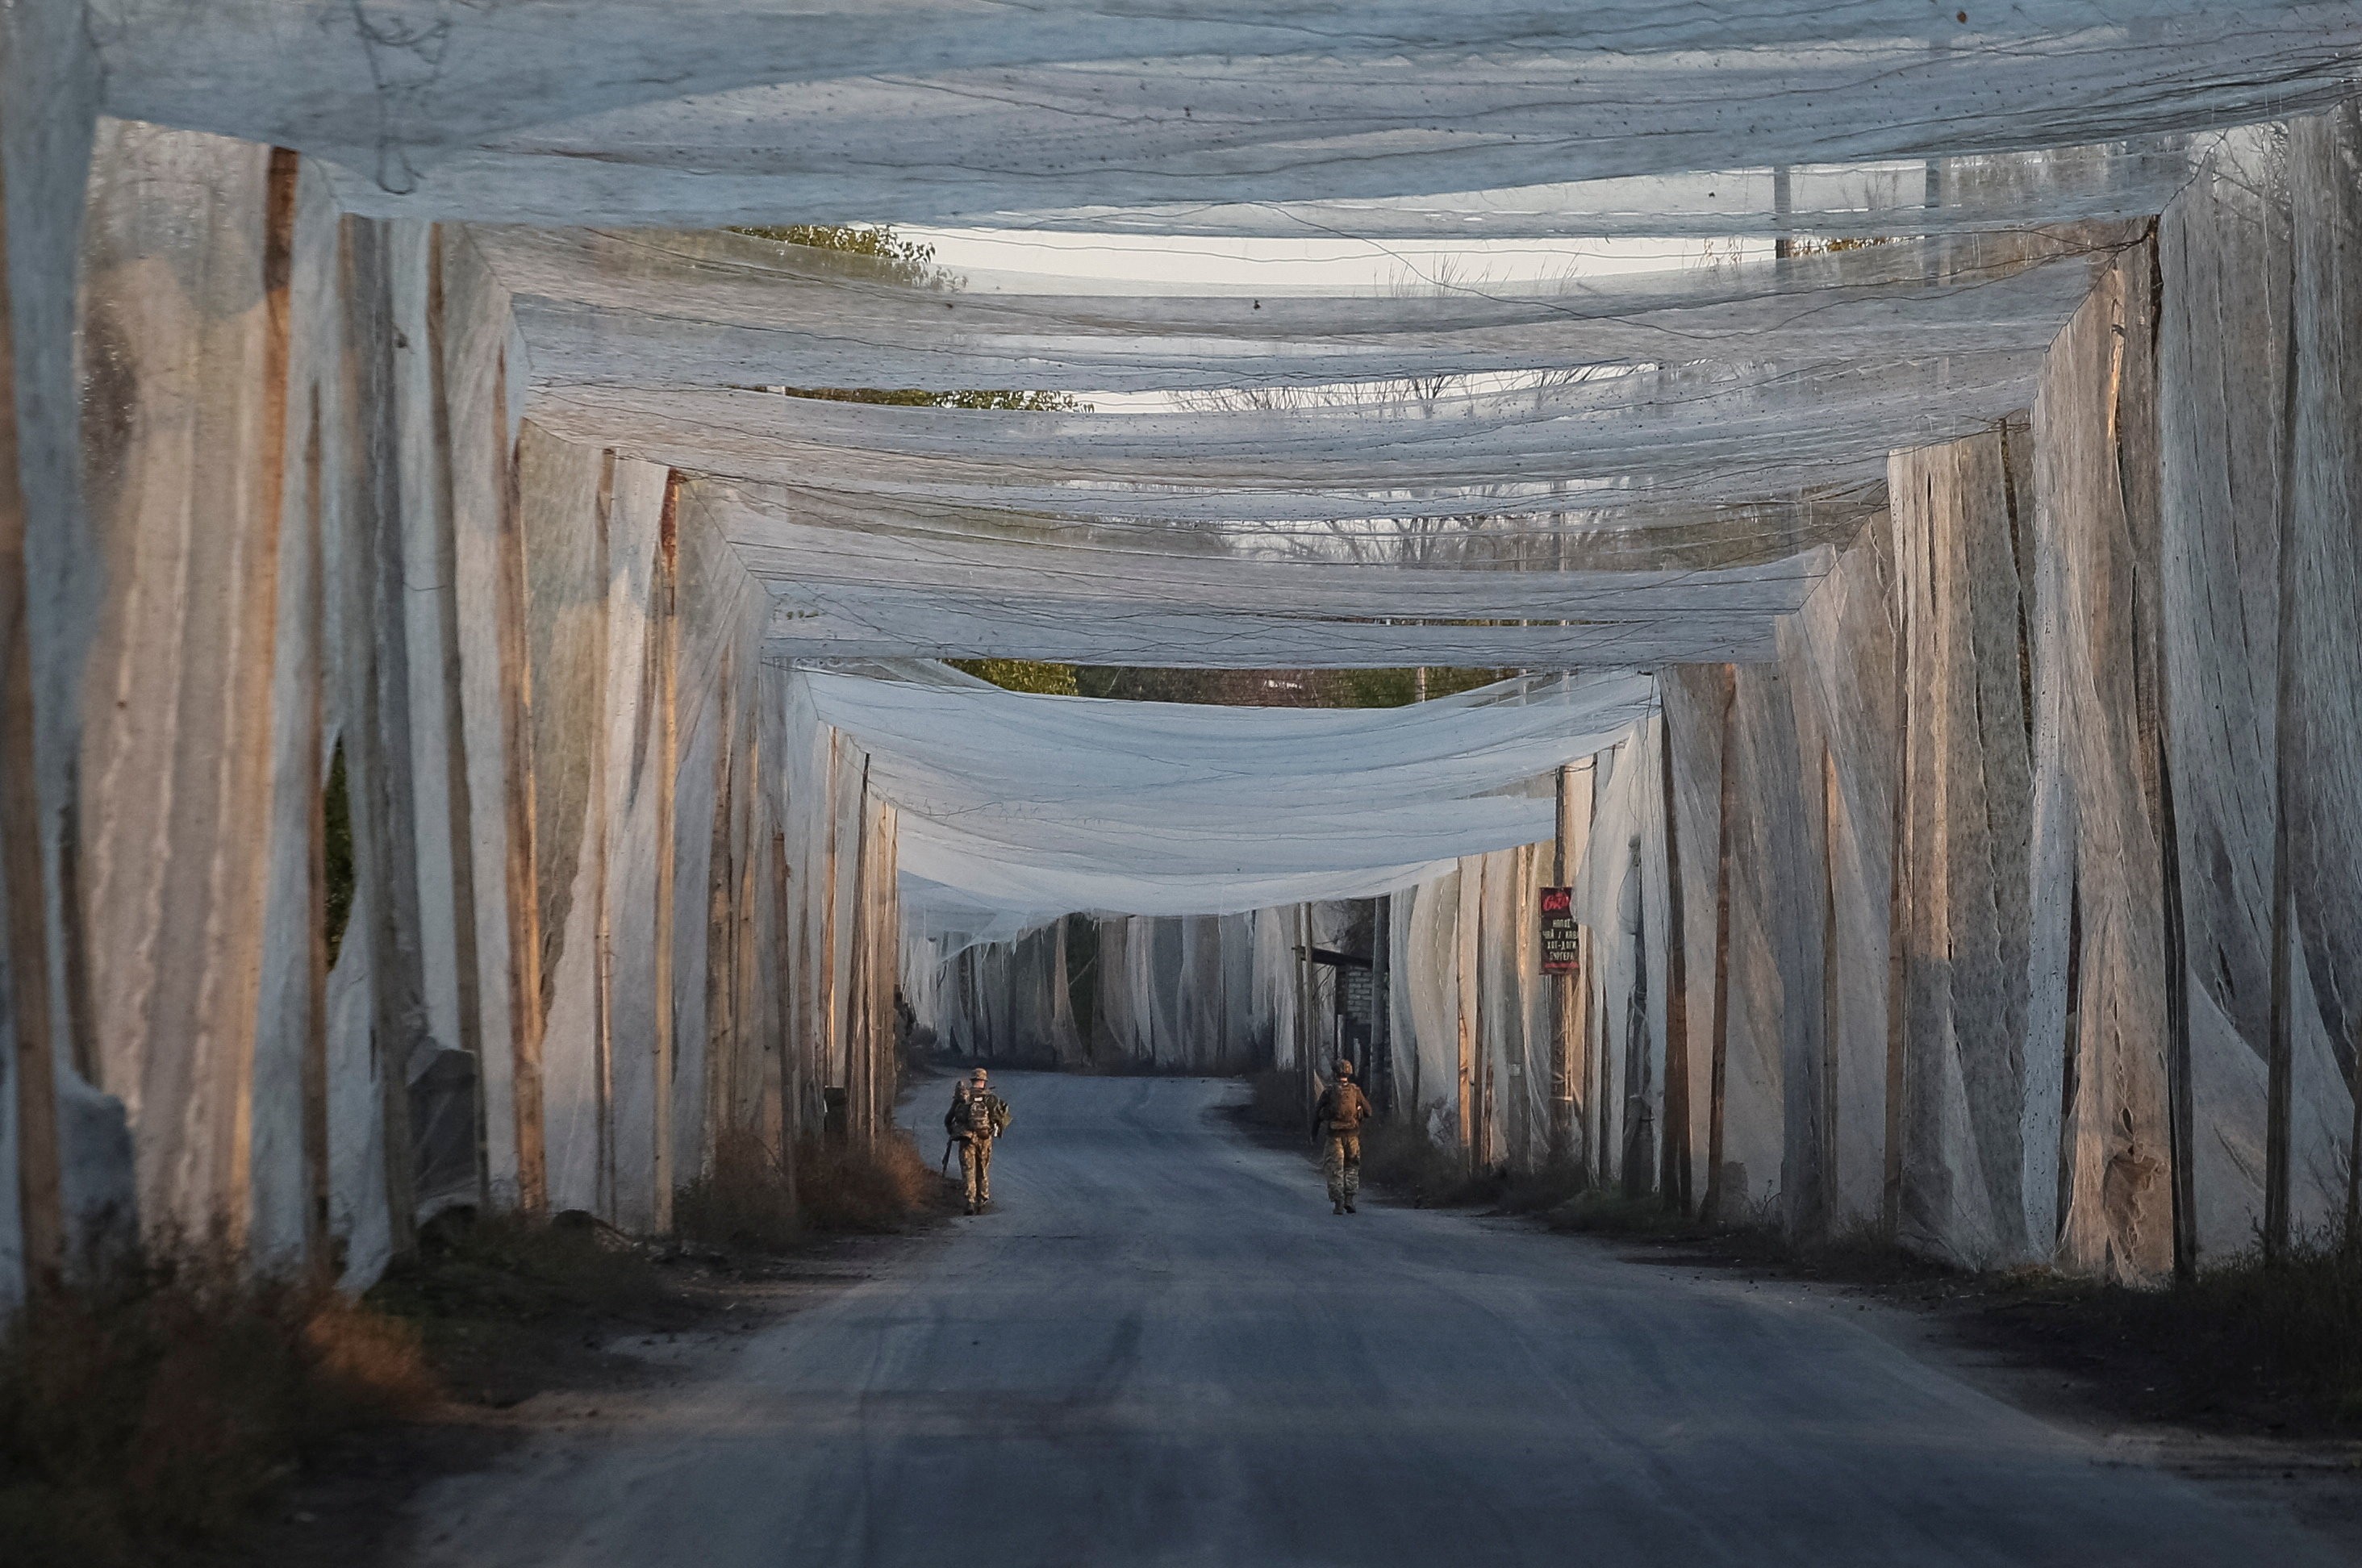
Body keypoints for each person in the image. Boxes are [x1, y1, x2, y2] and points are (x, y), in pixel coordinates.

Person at [945, 1067, 1012, 1215]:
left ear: (972, 1080)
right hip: (984, 1137)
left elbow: (948, 1118)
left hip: (966, 1138)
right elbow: (1001, 1118)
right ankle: (982, 1200)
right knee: (983, 1168)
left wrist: (952, 1130)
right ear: (984, 1081)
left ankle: (970, 1201)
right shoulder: (990, 1098)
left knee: (968, 1170)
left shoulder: (963, 1096)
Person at [1314, 1057, 1372, 1215]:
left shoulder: (1329, 1091)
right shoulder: (1356, 1091)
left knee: (1335, 1168)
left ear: (1334, 1074)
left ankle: (1338, 1203)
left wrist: (1313, 1134)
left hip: (1334, 1136)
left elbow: (1317, 1114)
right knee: (1351, 1167)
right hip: (1353, 1136)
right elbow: (1369, 1112)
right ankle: (1349, 1200)